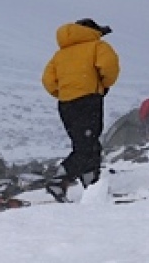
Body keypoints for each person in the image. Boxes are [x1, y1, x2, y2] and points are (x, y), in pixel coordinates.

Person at [41, 18, 120, 201]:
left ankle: (92, 184)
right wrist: (104, 85)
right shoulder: (97, 46)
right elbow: (109, 67)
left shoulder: (59, 55)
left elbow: (48, 81)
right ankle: (60, 179)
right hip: (89, 100)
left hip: (66, 105)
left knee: (86, 142)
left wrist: (64, 92)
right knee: (86, 145)